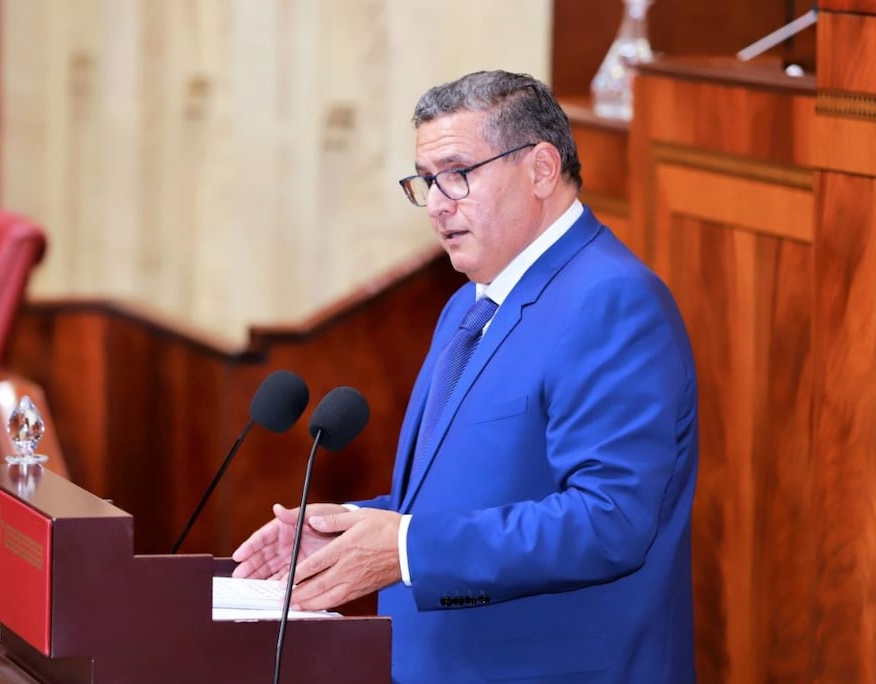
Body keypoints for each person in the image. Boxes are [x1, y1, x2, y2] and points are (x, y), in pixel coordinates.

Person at [231, 70, 699, 683]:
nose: (436, 204)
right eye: (425, 182)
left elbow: (609, 520)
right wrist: (348, 532)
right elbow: (456, 501)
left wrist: (403, 550)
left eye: (457, 174)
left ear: (539, 169)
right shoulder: (470, 304)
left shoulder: (612, 301)